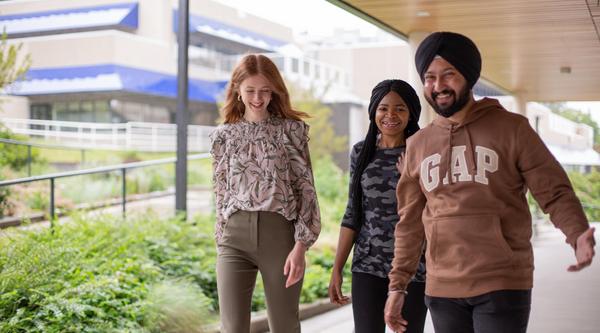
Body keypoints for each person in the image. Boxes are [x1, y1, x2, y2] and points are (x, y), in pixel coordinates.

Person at [384, 31, 596, 333]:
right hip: (443, 287)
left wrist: (576, 233)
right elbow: (409, 223)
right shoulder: (418, 143)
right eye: (429, 77)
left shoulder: (512, 129)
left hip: (502, 280)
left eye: (449, 75)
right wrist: (397, 287)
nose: (438, 86)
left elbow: (553, 191)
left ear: (469, 76)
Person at [210, 54, 321, 333]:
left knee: (284, 326)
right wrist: (220, 237)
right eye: (250, 91)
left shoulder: (291, 131)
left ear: (274, 91)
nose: (257, 98)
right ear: (237, 90)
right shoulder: (223, 136)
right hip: (234, 238)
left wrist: (300, 247)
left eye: (264, 91)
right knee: (232, 328)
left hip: (280, 239)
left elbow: (306, 189)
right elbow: (221, 191)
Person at [328, 79, 428, 333]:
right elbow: (353, 212)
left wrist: (412, 176)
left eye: (400, 108)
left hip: (413, 267)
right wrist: (337, 268)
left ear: (411, 113)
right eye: (383, 108)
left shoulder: (423, 153)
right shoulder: (361, 152)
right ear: (373, 111)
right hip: (367, 264)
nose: (390, 115)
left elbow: (435, 209)